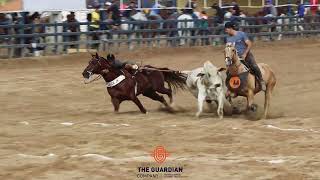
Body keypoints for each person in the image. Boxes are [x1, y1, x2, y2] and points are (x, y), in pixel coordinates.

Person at [224, 22, 266, 91]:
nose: (226, 31)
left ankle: (261, 81)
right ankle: (230, 87)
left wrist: (245, 54)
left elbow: (249, 44)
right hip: (236, 58)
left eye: (226, 29)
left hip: (246, 55)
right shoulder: (228, 39)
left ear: (230, 28)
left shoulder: (241, 34)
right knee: (228, 71)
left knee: (254, 66)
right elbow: (228, 49)